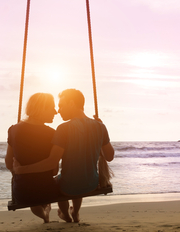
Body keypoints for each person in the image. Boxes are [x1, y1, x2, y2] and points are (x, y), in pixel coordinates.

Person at [14, 88, 114, 223]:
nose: (58, 110)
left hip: (68, 187)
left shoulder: (63, 129)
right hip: (91, 184)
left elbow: (51, 162)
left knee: (62, 181)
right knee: (78, 177)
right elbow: (110, 156)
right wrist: (100, 132)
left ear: (71, 103)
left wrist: (21, 170)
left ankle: (66, 215)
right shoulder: (100, 126)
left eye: (61, 105)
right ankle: (76, 212)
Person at [5, 93, 61, 223]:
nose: (56, 112)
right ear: (41, 109)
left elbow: (9, 163)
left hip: (22, 193)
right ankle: (47, 214)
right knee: (47, 194)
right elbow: (54, 171)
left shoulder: (13, 130)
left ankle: (44, 217)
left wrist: (19, 170)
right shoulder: (52, 134)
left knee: (32, 199)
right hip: (47, 191)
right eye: (52, 107)